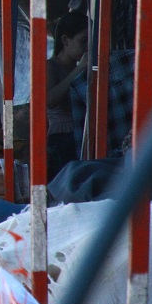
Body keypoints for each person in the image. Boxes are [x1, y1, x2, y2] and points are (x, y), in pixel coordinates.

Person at [46, 11, 89, 180]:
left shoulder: (84, 68)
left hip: (83, 134)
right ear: (65, 40)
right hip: (62, 138)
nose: (87, 47)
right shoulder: (50, 66)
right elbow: (49, 100)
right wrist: (78, 70)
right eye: (83, 41)